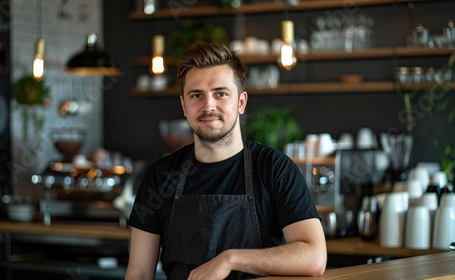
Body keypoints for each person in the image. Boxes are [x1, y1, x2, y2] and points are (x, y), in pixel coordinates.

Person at [125, 43, 327, 280]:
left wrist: (229, 259)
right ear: (184, 105)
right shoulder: (159, 177)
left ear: (241, 102)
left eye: (220, 93)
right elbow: (138, 272)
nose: (208, 106)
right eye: (196, 95)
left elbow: (314, 257)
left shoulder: (274, 169)